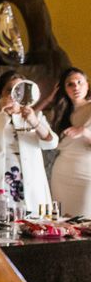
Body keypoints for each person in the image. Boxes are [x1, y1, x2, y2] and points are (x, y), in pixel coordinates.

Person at [0, 70, 58, 215]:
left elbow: (51, 143)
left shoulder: (35, 115)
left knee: (30, 222)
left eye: (18, 89)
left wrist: (34, 122)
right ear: (1, 93)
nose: (13, 94)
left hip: (28, 178)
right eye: (8, 89)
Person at [50, 68, 91, 217]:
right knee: (63, 221)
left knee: (85, 220)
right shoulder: (61, 112)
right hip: (62, 172)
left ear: (87, 84)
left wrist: (84, 132)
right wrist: (49, 99)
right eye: (70, 84)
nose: (76, 87)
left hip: (86, 172)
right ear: (64, 89)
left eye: (79, 82)